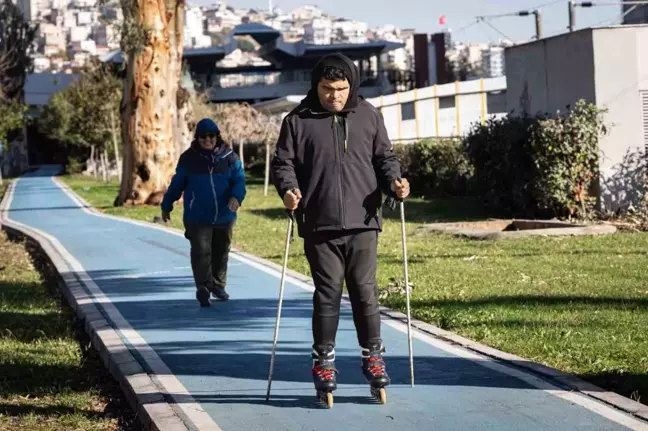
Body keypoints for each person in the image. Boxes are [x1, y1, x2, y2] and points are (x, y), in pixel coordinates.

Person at [270, 53, 410, 394]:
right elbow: (282, 164)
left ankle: (373, 356)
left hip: (363, 222)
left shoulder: (369, 115)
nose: (334, 95)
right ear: (316, 86)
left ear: (352, 86)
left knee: (365, 293)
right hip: (320, 224)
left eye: (341, 88)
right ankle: (324, 362)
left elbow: (384, 158)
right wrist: (288, 190)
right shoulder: (297, 120)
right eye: (327, 88)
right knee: (328, 293)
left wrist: (395, 182)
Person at [161, 118, 246, 307]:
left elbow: (239, 181)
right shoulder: (188, 159)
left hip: (225, 215)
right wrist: (167, 205)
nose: (207, 140)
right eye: (202, 137)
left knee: (221, 251)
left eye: (211, 136)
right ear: (197, 138)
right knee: (201, 251)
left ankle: (218, 285)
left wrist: (236, 197)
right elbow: (177, 184)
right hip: (197, 216)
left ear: (217, 136)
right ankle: (203, 287)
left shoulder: (230, 157)